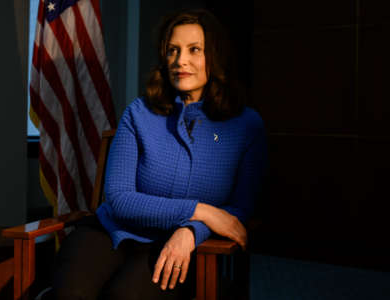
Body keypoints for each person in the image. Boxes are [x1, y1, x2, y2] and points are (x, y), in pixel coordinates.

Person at [49, 8, 267, 300]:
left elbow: (239, 211)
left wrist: (191, 231)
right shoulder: (138, 114)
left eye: (194, 50)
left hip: (172, 242)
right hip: (110, 232)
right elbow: (120, 199)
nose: (181, 61)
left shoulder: (247, 125)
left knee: (125, 296)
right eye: (173, 50)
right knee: (69, 294)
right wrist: (202, 211)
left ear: (215, 56)